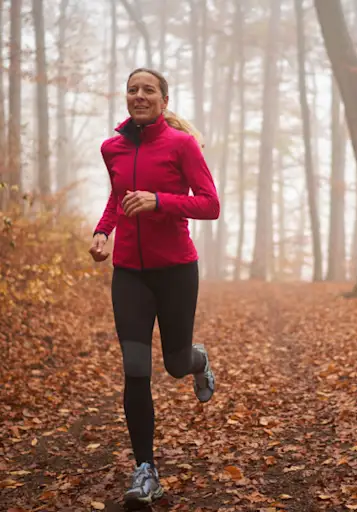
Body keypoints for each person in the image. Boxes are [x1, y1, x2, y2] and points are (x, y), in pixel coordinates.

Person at [88, 67, 219, 509]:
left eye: (148, 90)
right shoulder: (112, 147)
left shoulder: (181, 145)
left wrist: (160, 201)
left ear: (163, 100)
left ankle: (197, 359)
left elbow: (210, 204)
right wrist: (103, 231)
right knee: (135, 368)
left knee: (175, 364)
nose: (139, 95)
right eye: (132, 89)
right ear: (126, 98)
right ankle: (146, 469)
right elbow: (116, 195)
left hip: (177, 270)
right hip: (129, 272)